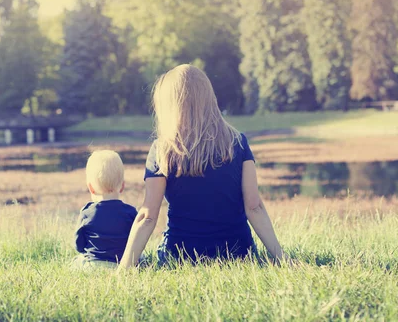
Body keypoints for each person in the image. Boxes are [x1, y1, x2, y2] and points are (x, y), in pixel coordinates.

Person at [119, 64, 284, 268]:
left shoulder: (161, 149)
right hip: (239, 254)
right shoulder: (238, 142)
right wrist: (281, 258)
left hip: (181, 256)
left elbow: (148, 216)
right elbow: (254, 206)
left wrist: (124, 268)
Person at [73, 150, 138, 269]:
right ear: (122, 186)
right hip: (123, 264)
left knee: (76, 261)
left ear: (91, 188)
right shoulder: (131, 213)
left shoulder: (87, 212)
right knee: (141, 257)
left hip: (93, 266)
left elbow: (79, 245)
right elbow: (136, 240)